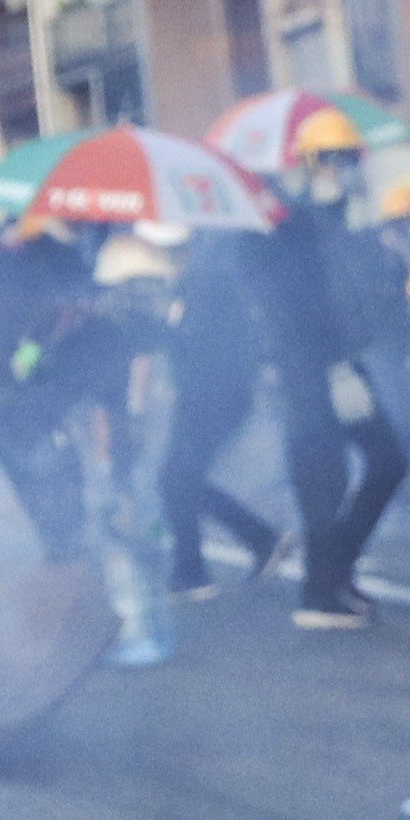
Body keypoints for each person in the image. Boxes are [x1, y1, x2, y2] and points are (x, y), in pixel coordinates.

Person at [257, 109, 410, 627]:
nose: (343, 169)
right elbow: (295, 308)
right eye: (332, 160)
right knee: (323, 479)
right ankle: (319, 593)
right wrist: (332, 366)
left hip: (339, 363)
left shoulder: (342, 220)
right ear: (309, 163)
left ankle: (332, 573)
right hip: (310, 372)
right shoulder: (291, 225)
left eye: (349, 159)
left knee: (387, 461)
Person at [0, 215, 101, 560]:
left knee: (43, 462)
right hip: (9, 383)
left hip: (11, 382)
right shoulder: (2, 262)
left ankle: (61, 538)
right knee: (43, 462)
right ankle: (62, 538)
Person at [156, 226, 283, 594]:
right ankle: (251, 542)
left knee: (176, 478)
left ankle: (194, 569)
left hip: (213, 396)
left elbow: (208, 348)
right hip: (208, 395)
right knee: (179, 479)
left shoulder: (206, 283)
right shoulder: (191, 283)